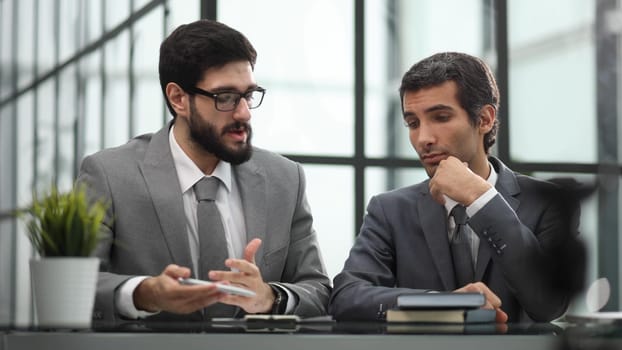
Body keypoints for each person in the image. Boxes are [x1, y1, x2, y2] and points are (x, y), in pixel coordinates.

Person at [77, 19, 331, 322]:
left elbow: (318, 289)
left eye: (248, 95)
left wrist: (270, 297)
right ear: (178, 98)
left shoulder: (285, 178)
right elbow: (72, 283)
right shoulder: (109, 174)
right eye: (225, 98)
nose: (244, 113)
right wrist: (143, 292)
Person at [328, 52, 581, 323]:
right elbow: (346, 298)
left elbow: (549, 304)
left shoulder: (548, 202)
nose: (423, 138)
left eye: (440, 117)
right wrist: (442, 305)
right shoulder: (389, 210)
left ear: (484, 119)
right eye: (413, 123)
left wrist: (481, 199)